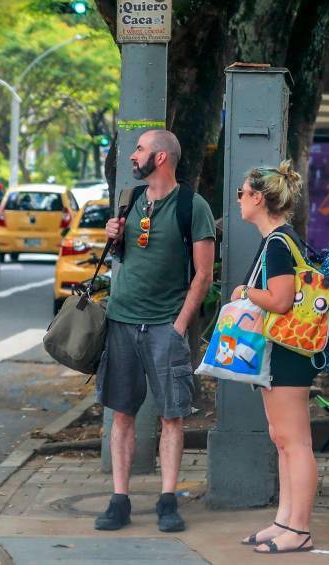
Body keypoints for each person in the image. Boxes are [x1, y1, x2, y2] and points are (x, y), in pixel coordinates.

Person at [95, 130, 216, 532]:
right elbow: (125, 257)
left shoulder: (191, 206)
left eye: (141, 149)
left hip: (165, 325)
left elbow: (203, 275)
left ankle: (167, 499)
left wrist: (180, 325)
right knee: (122, 414)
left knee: (172, 415)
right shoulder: (131, 200)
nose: (133, 155)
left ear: (161, 157)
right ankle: (120, 499)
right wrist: (112, 237)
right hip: (122, 321)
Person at [231, 161, 318, 555]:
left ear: (258, 198)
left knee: (295, 442)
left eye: (241, 193)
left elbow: (281, 301)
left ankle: (299, 529)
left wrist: (245, 294)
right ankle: (285, 520)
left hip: (288, 354)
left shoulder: (279, 244)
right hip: (282, 354)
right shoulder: (279, 241)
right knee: (282, 439)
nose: (238, 200)